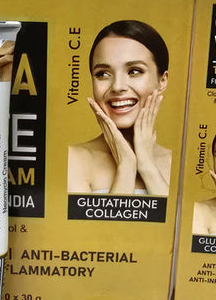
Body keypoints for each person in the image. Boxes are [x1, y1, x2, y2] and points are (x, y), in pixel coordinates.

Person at [68, 20, 170, 195]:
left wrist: (147, 166)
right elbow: (114, 217)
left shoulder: (174, 162)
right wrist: (126, 165)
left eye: (134, 71)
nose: (117, 86)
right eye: (102, 74)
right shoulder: (74, 159)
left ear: (162, 80)